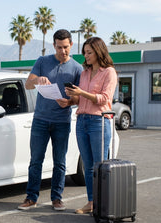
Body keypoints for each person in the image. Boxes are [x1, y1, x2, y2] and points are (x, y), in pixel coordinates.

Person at [18, 29, 83, 211]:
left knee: (60, 162)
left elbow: (79, 99)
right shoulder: (42, 61)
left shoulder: (77, 69)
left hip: (62, 121)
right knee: (35, 161)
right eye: (59, 47)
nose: (63, 51)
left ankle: (57, 198)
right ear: (53, 45)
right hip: (40, 120)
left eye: (66, 47)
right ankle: (31, 198)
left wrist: (69, 101)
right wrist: (38, 79)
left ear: (71, 45)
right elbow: (28, 84)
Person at [58, 37, 117, 214]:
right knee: (89, 167)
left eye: (89, 52)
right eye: (85, 52)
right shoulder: (84, 73)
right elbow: (80, 99)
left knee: (100, 166)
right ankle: (92, 203)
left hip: (99, 122)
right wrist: (70, 100)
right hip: (82, 121)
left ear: (99, 52)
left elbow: (104, 100)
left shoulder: (109, 73)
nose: (86, 55)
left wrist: (82, 92)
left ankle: (103, 204)